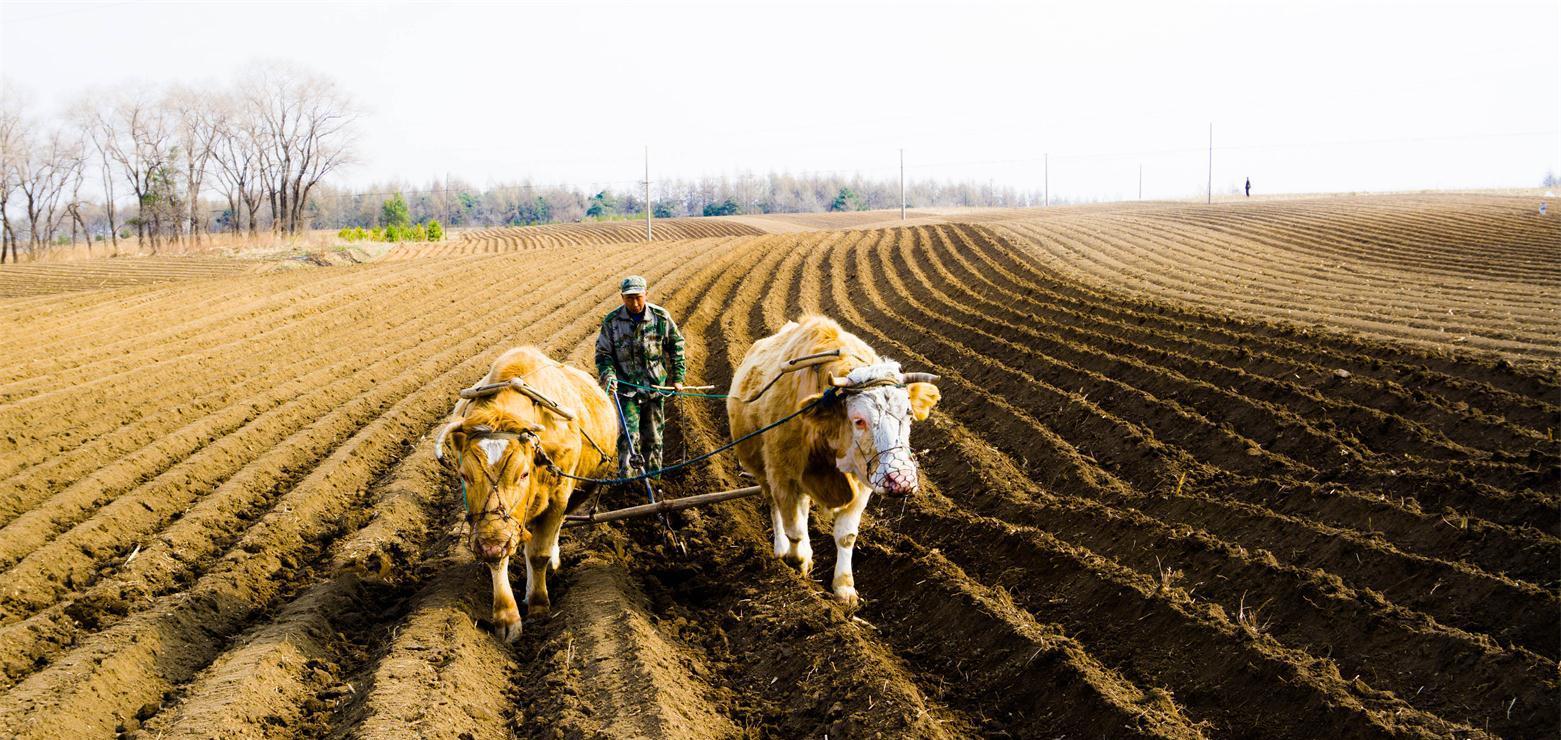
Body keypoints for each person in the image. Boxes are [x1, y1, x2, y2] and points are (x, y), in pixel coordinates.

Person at [594, 275, 687, 477]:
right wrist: (608, 375)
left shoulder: (661, 318)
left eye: (638, 297)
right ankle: (627, 482)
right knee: (628, 437)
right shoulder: (612, 322)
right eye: (629, 298)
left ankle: (653, 480)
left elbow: (676, 346)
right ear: (622, 297)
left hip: (655, 390)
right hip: (627, 392)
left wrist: (678, 378)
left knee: (654, 437)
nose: (634, 303)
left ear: (646, 294)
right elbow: (603, 355)